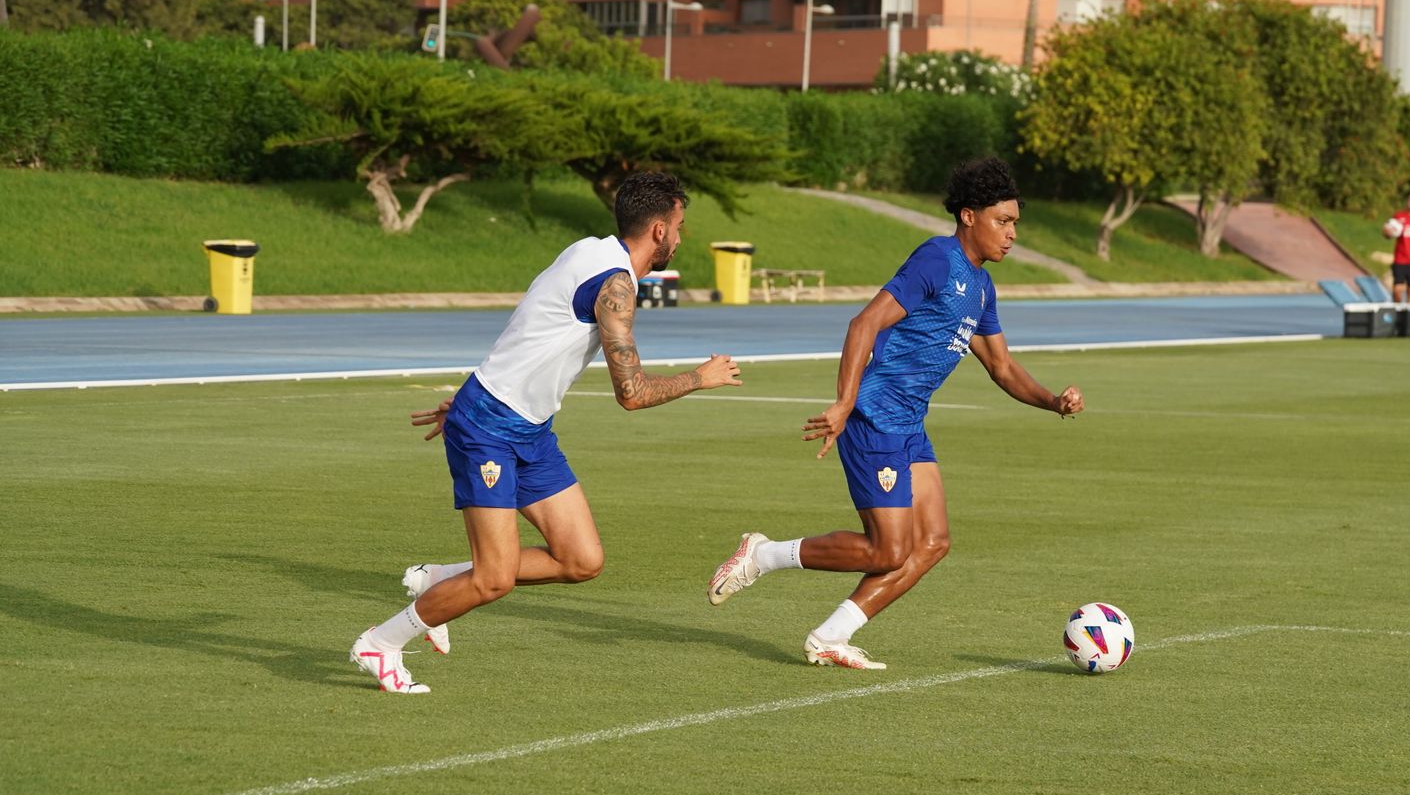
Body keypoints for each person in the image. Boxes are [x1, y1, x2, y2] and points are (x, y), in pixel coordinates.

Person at [351, 172, 743, 693]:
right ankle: (381, 642)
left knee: (581, 560)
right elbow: (631, 394)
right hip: (490, 429)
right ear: (656, 231)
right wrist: (702, 377)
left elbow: (530, 329)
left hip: (527, 428)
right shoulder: (617, 286)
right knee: (493, 578)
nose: (680, 237)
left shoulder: (589, 250)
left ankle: (444, 578)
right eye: (679, 227)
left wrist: (475, 392)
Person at [705, 158, 1085, 670]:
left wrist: (1052, 402)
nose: (1013, 233)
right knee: (887, 550)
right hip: (874, 418)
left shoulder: (981, 287)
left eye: (1016, 222)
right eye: (1004, 221)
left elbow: (1001, 366)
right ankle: (763, 554)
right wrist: (843, 402)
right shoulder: (936, 260)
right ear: (969, 216)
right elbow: (863, 323)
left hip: (909, 425)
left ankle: (830, 637)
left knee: (932, 543)